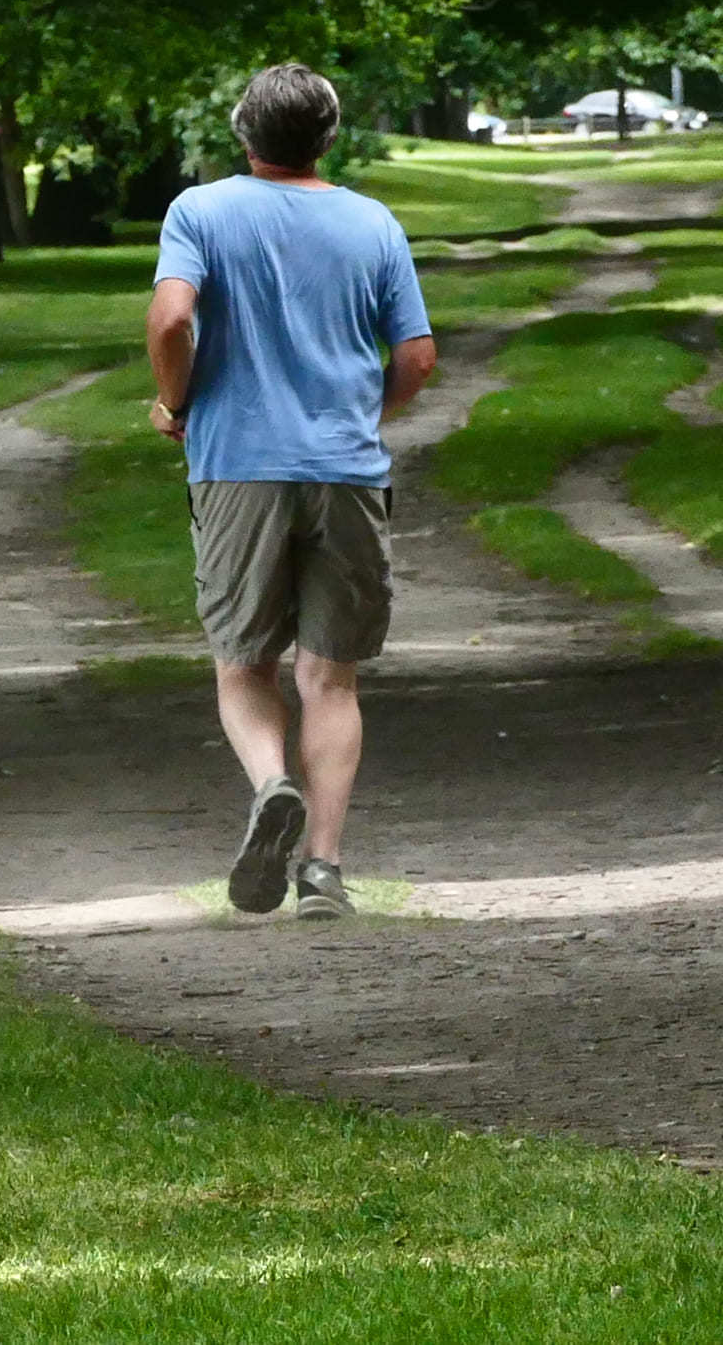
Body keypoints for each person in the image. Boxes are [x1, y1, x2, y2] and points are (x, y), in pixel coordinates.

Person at [148, 61, 436, 919]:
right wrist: (363, 412)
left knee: (243, 662)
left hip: (237, 464)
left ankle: (274, 783)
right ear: (329, 137)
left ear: (243, 134)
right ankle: (323, 871)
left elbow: (170, 318)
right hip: (345, 469)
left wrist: (177, 403)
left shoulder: (200, 210)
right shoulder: (372, 222)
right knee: (331, 677)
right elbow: (417, 356)